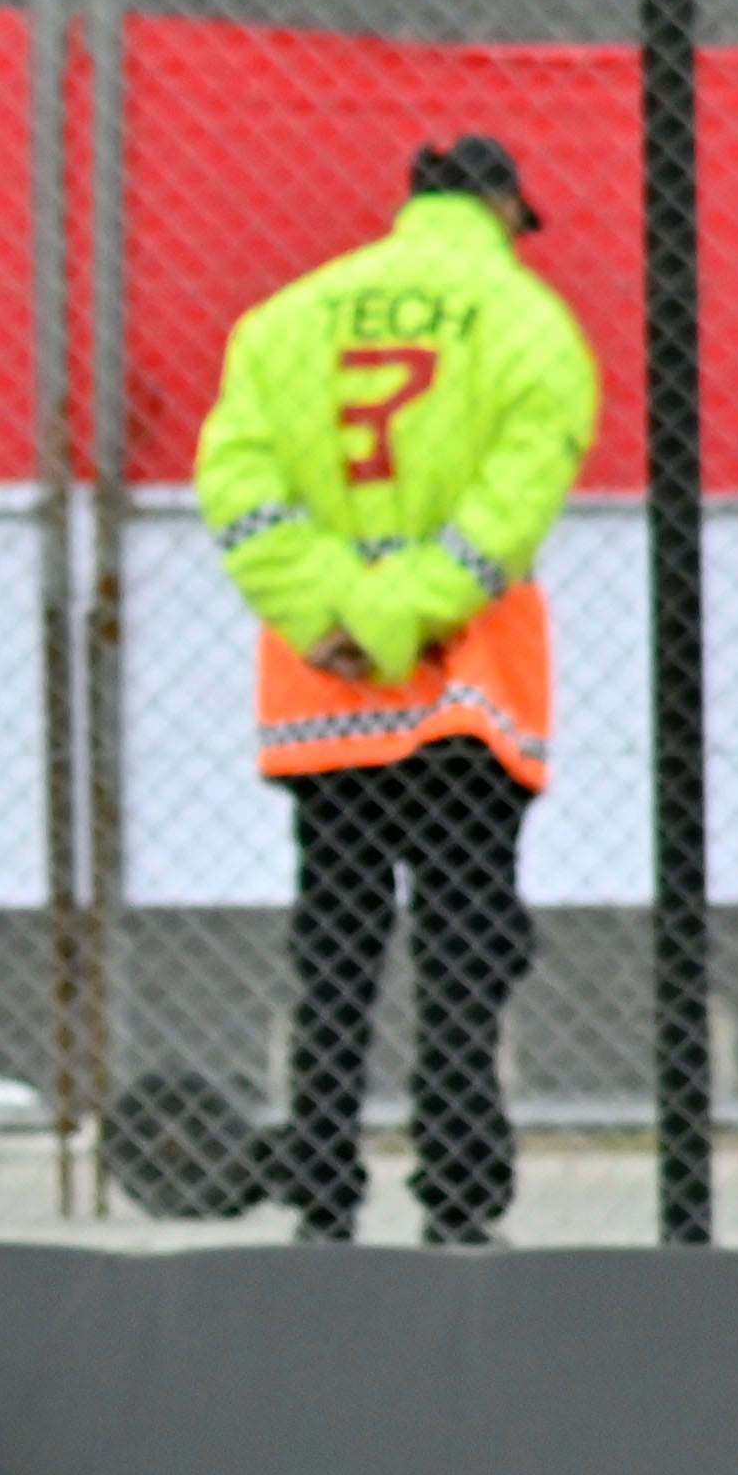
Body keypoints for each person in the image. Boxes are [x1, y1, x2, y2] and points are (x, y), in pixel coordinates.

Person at [195, 135, 597, 1247]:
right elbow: (513, 506)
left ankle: (322, 1192)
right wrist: (406, 615)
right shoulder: (528, 326)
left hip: (325, 694)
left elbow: (236, 483)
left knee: (334, 947)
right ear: (507, 210)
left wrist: (334, 613)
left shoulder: (285, 322)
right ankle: (461, 1204)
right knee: (464, 954)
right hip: (464, 688)